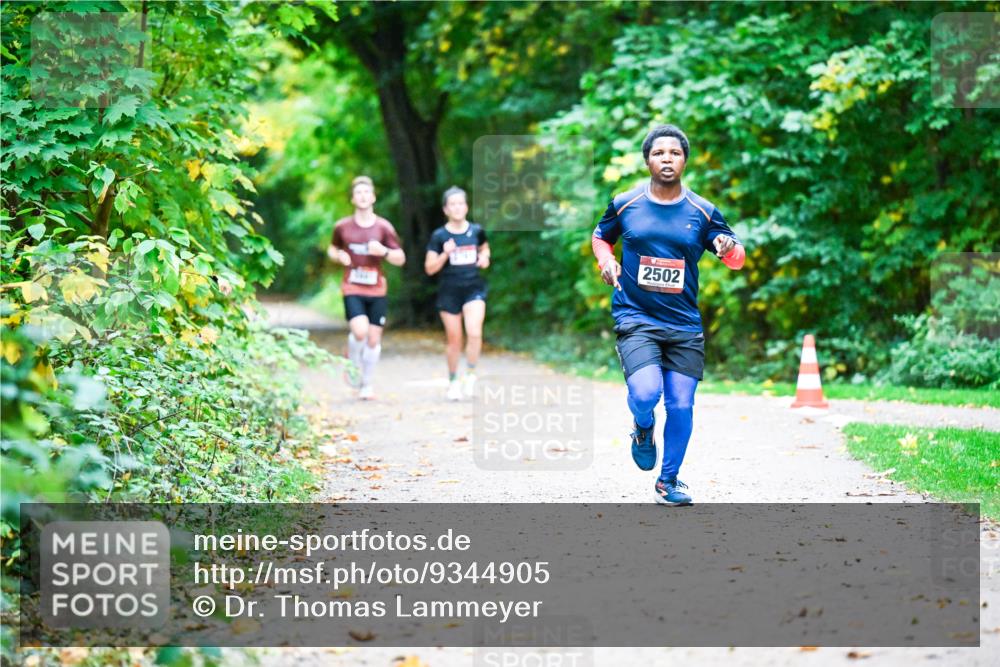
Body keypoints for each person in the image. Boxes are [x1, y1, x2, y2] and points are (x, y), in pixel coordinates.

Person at [591, 124, 745, 506]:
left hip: (682, 323)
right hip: (636, 316)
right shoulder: (625, 203)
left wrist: (727, 247)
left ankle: (669, 480)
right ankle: (643, 427)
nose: (667, 159)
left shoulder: (703, 211)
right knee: (645, 394)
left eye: (674, 153)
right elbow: (600, 236)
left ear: (684, 161)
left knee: (680, 404)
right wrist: (607, 261)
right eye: (659, 153)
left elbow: (737, 258)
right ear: (647, 160)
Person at [328, 176, 406, 400]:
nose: (362, 196)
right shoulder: (342, 227)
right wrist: (340, 255)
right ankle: (353, 362)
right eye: (358, 193)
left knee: (373, 339)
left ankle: (367, 384)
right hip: (352, 286)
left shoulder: (383, 227)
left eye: (366, 192)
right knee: (360, 331)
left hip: (377, 289)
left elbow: (400, 258)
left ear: (373, 197)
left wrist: (383, 251)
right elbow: (332, 249)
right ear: (353, 198)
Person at [424, 186, 490, 401]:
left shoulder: (477, 231)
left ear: (466, 207)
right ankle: (453, 381)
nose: (457, 207)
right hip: (449, 291)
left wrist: (484, 258)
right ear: (446, 209)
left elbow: (485, 248)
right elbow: (430, 268)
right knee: (454, 340)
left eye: (461, 203)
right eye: (452, 204)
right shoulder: (439, 235)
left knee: (474, 333)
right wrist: (445, 254)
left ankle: (470, 375)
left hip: (473, 288)